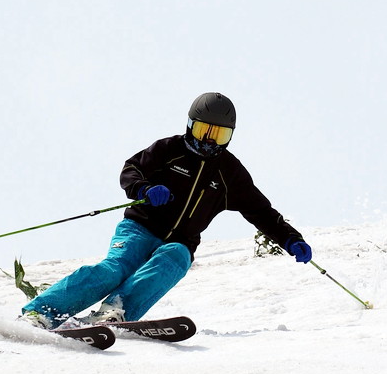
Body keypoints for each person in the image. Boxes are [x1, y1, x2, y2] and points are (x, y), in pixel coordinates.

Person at [21, 92, 312, 328]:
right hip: (140, 228)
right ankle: (42, 313)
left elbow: (260, 210)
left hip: (180, 241)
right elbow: (132, 168)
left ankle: (114, 313)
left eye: (219, 135)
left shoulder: (229, 173)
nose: (208, 140)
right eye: (203, 130)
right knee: (114, 270)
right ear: (190, 125)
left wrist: (289, 238)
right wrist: (144, 189)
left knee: (176, 258)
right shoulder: (169, 149)